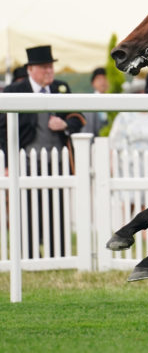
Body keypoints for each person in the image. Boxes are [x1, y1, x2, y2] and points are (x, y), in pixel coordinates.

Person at [0, 45, 85, 257]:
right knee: (27, 209)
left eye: (50, 67)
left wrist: (64, 124)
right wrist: (9, 162)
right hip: (26, 162)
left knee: (58, 208)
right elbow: (2, 129)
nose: (49, 71)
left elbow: (78, 118)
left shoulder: (61, 87)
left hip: (58, 162)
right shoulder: (13, 91)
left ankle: (59, 253)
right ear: (30, 69)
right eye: (44, 67)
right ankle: (29, 254)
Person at [108, 78, 148, 177]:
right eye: (139, 93)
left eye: (145, 92)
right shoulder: (124, 116)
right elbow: (114, 143)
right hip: (130, 167)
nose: (142, 95)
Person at [83, 67, 108, 136]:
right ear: (93, 83)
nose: (103, 82)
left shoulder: (114, 101)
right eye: (99, 79)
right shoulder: (88, 102)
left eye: (105, 78)